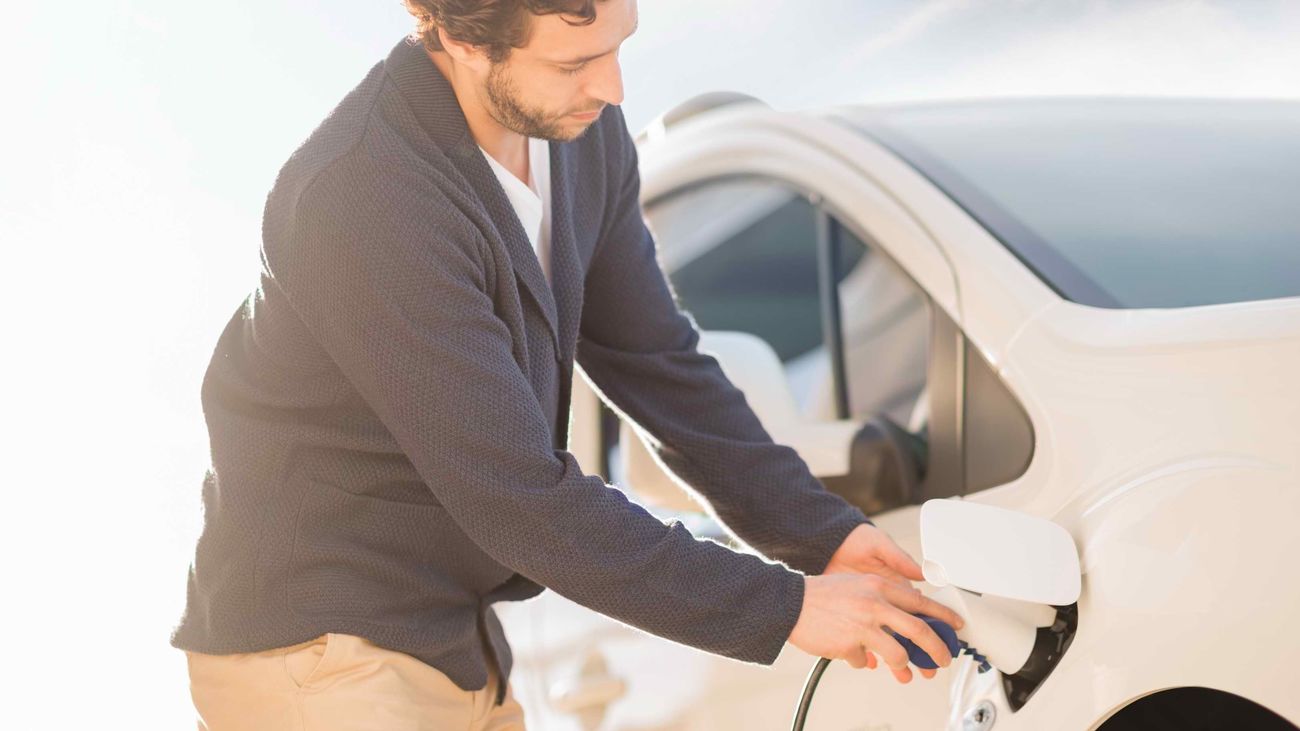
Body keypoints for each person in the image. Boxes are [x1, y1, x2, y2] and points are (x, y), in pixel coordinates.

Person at [170, 0, 965, 728]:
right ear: (459, 37)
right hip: (317, 651)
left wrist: (818, 532)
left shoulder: (580, 139)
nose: (613, 88)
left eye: (619, 46)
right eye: (572, 64)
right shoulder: (363, 194)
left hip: (457, 641)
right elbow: (518, 496)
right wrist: (787, 605)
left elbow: (657, 363)